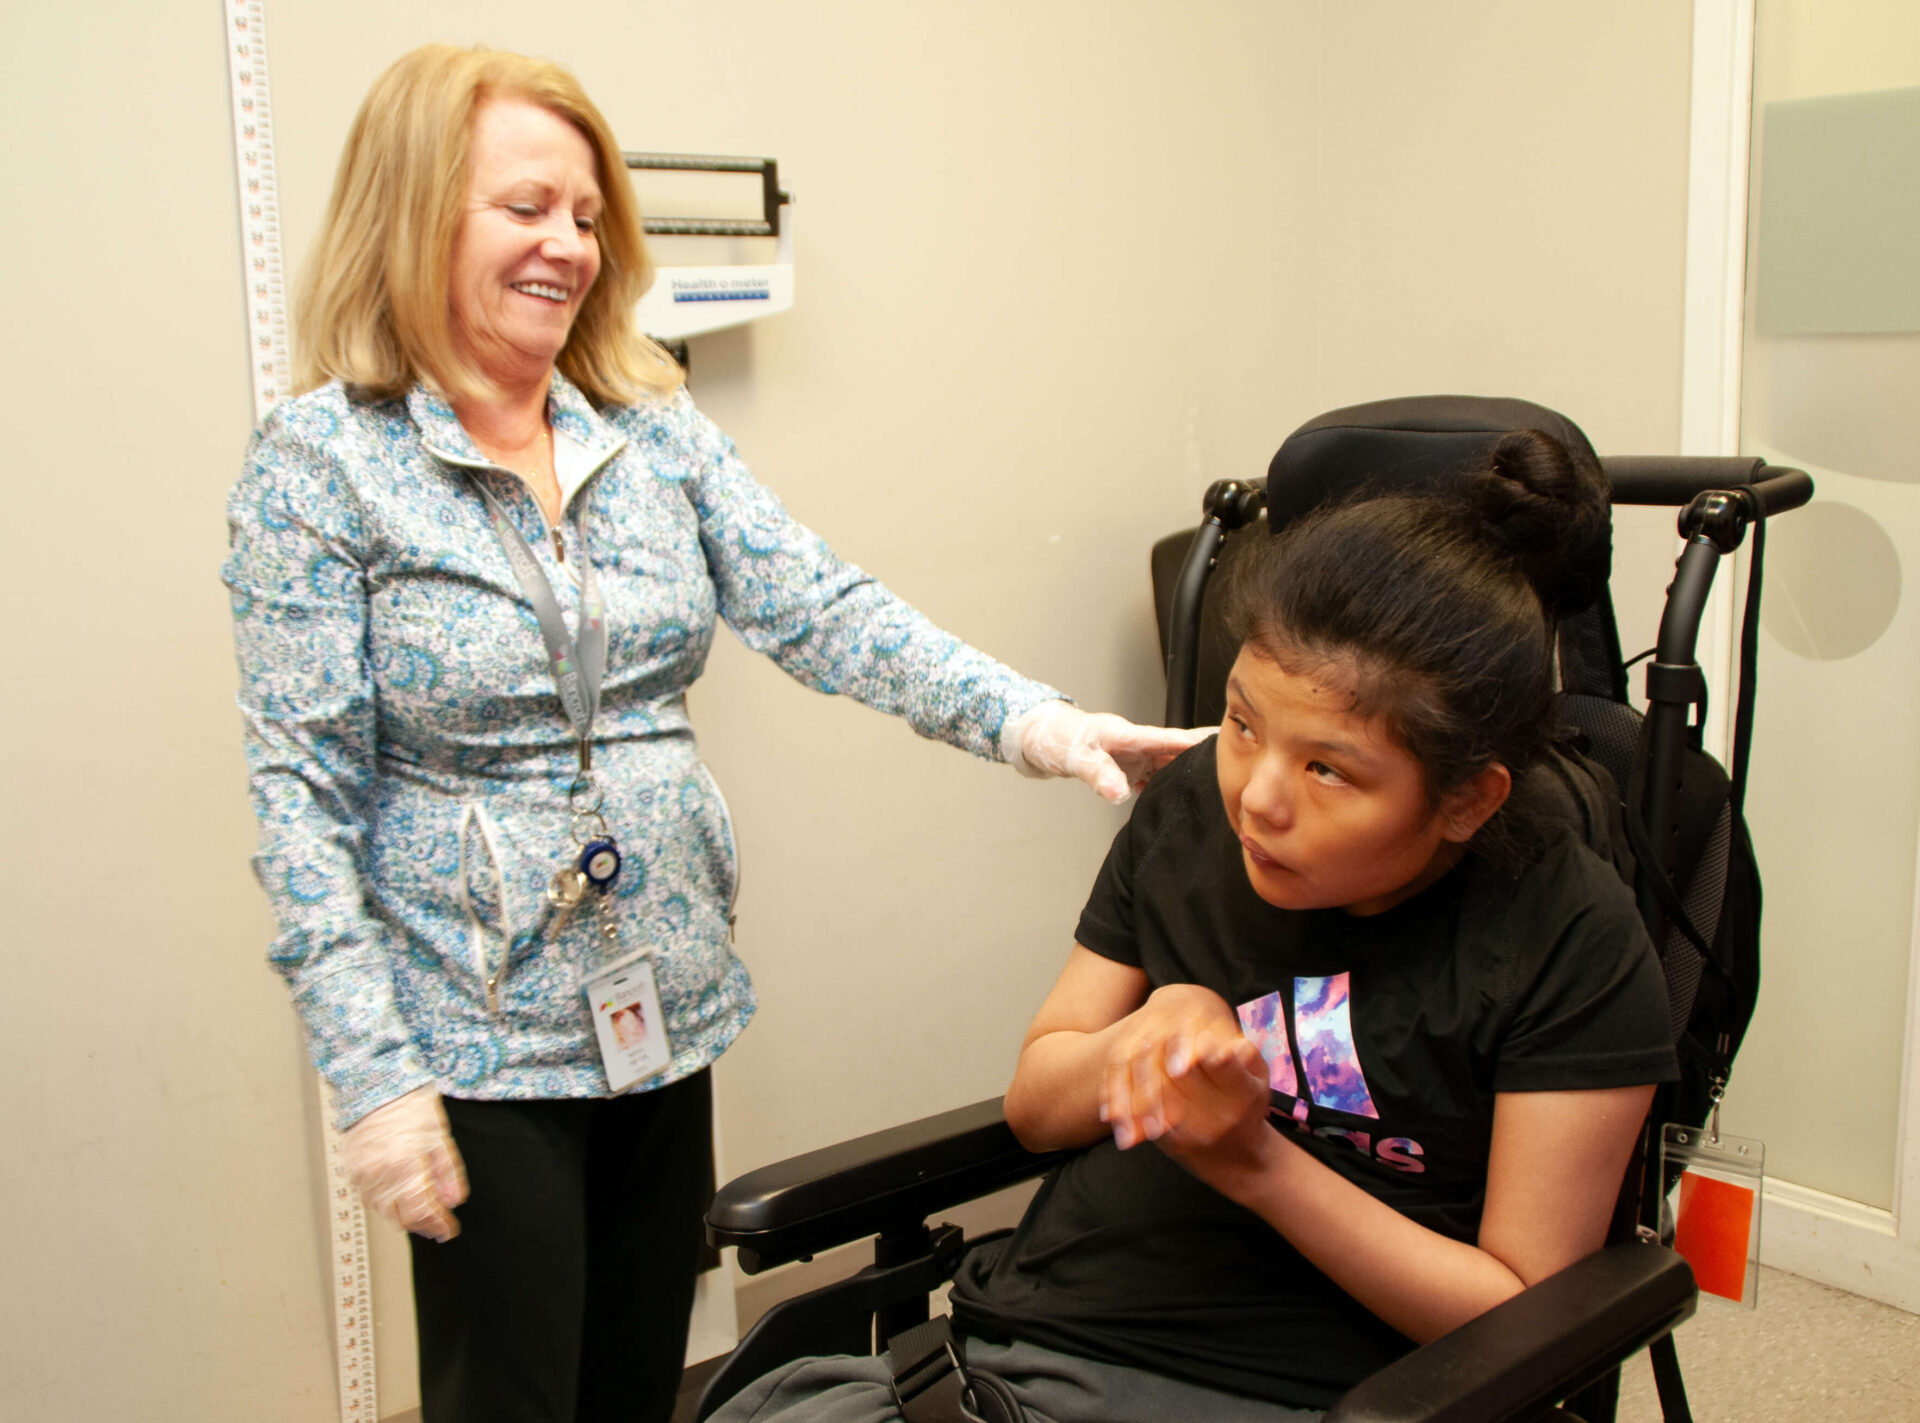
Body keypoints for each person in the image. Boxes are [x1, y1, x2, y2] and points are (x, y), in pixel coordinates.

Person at [221, 43, 1201, 1423]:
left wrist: (1034, 723)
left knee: (637, 1376)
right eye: (526, 208)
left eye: (585, 213)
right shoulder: (323, 466)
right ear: (416, 209)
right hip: (472, 1019)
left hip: (658, 988)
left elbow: (821, 605)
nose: (568, 243)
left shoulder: (647, 426)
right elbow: (300, 793)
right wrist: (373, 1074)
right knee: (508, 1391)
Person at [709, 431, 1680, 1423]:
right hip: (1019, 1349)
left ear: (1467, 801)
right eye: (1243, 722)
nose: (1255, 796)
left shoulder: (1569, 941)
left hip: (1321, 1392)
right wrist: (1139, 1038)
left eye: (1328, 769)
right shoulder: (1188, 817)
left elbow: (1521, 1312)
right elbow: (1041, 1103)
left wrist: (1255, 1160)